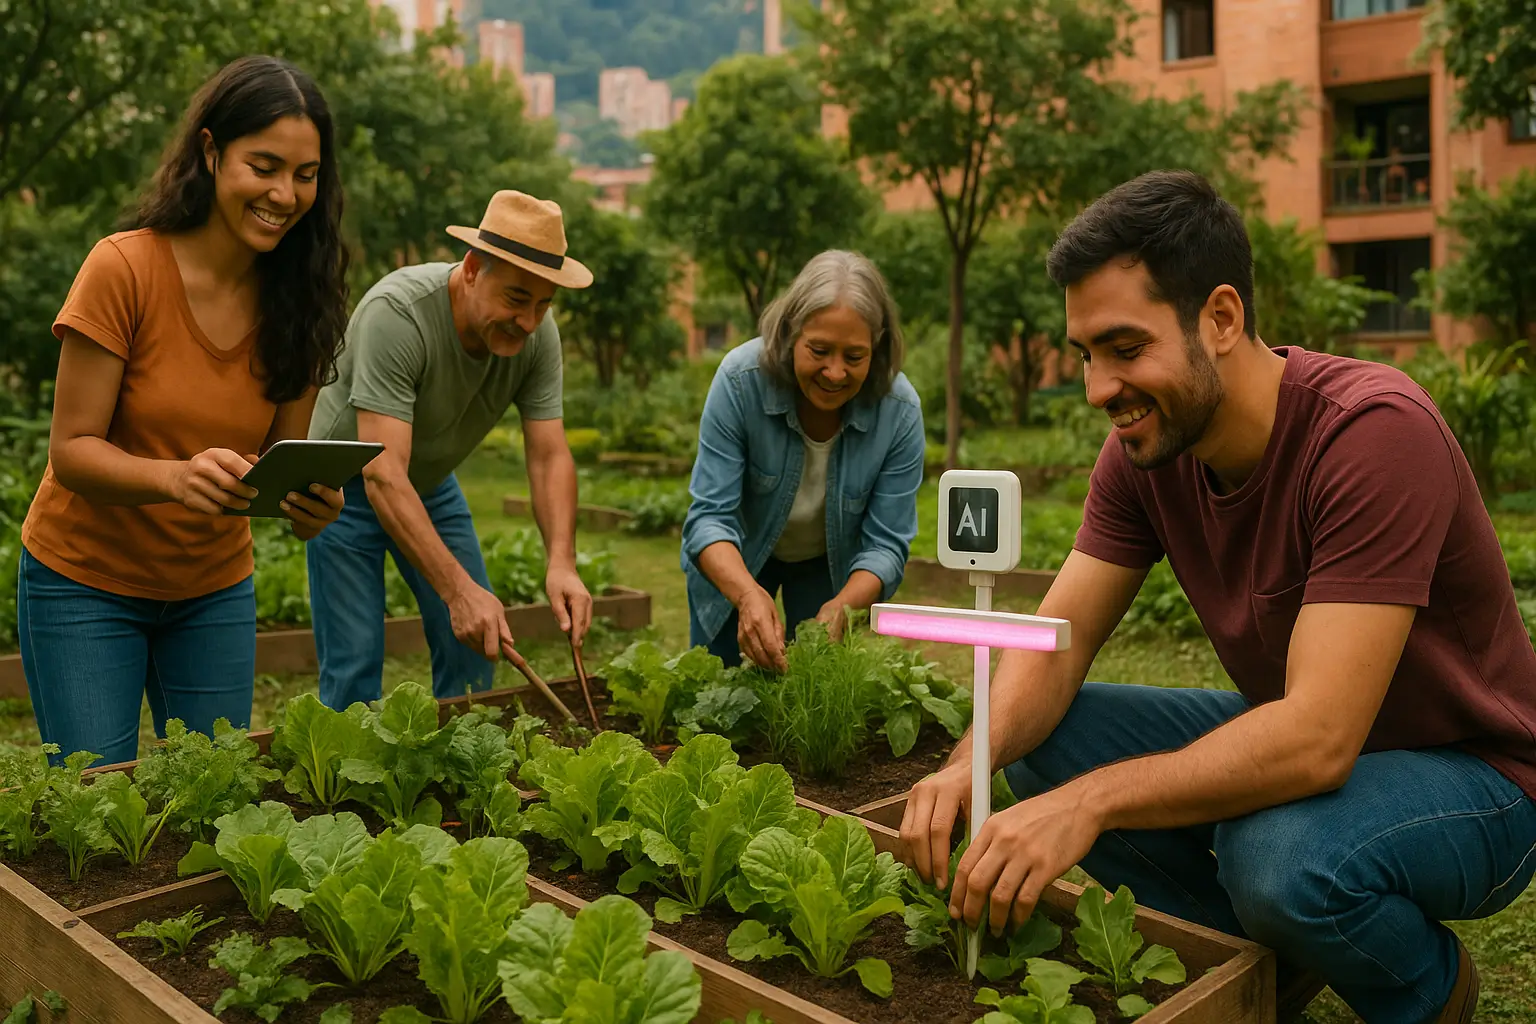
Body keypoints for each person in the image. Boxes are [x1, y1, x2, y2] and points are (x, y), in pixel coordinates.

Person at [899, 170, 1536, 1024]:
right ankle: (1270, 961)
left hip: (1478, 774)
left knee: (1274, 855)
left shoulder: (1373, 434)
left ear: (1222, 318)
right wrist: (963, 766)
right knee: (1045, 740)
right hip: (1316, 743)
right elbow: (1057, 638)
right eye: (1087, 355)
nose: (1098, 389)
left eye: (1126, 349)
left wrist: (1086, 806)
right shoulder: (1145, 453)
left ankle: (1427, 991)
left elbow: (1315, 741)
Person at [18, 56, 350, 765]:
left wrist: (308, 504)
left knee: (212, 797)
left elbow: (278, 465)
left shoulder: (303, 300)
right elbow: (71, 450)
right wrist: (175, 478)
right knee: (96, 812)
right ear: (210, 152)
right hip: (84, 583)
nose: (285, 194)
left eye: (305, 174)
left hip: (213, 592)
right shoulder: (124, 268)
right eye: (263, 165)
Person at [305, 190, 594, 708]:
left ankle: (459, 778)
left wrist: (562, 561)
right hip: (344, 484)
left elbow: (549, 454)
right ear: (471, 269)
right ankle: (350, 786)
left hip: (428, 482)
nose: (529, 321)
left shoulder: (536, 335)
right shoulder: (398, 314)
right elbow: (382, 473)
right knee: (354, 663)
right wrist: (457, 591)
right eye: (516, 299)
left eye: (543, 303)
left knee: (476, 648)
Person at [681, 249, 925, 670]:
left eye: (854, 357)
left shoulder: (899, 411)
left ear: (877, 347)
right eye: (819, 350)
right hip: (735, 557)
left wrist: (843, 607)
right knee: (714, 690)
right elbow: (709, 519)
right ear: (791, 332)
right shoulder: (741, 383)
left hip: (826, 564)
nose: (834, 372)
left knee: (810, 686)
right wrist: (746, 594)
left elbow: (886, 544)